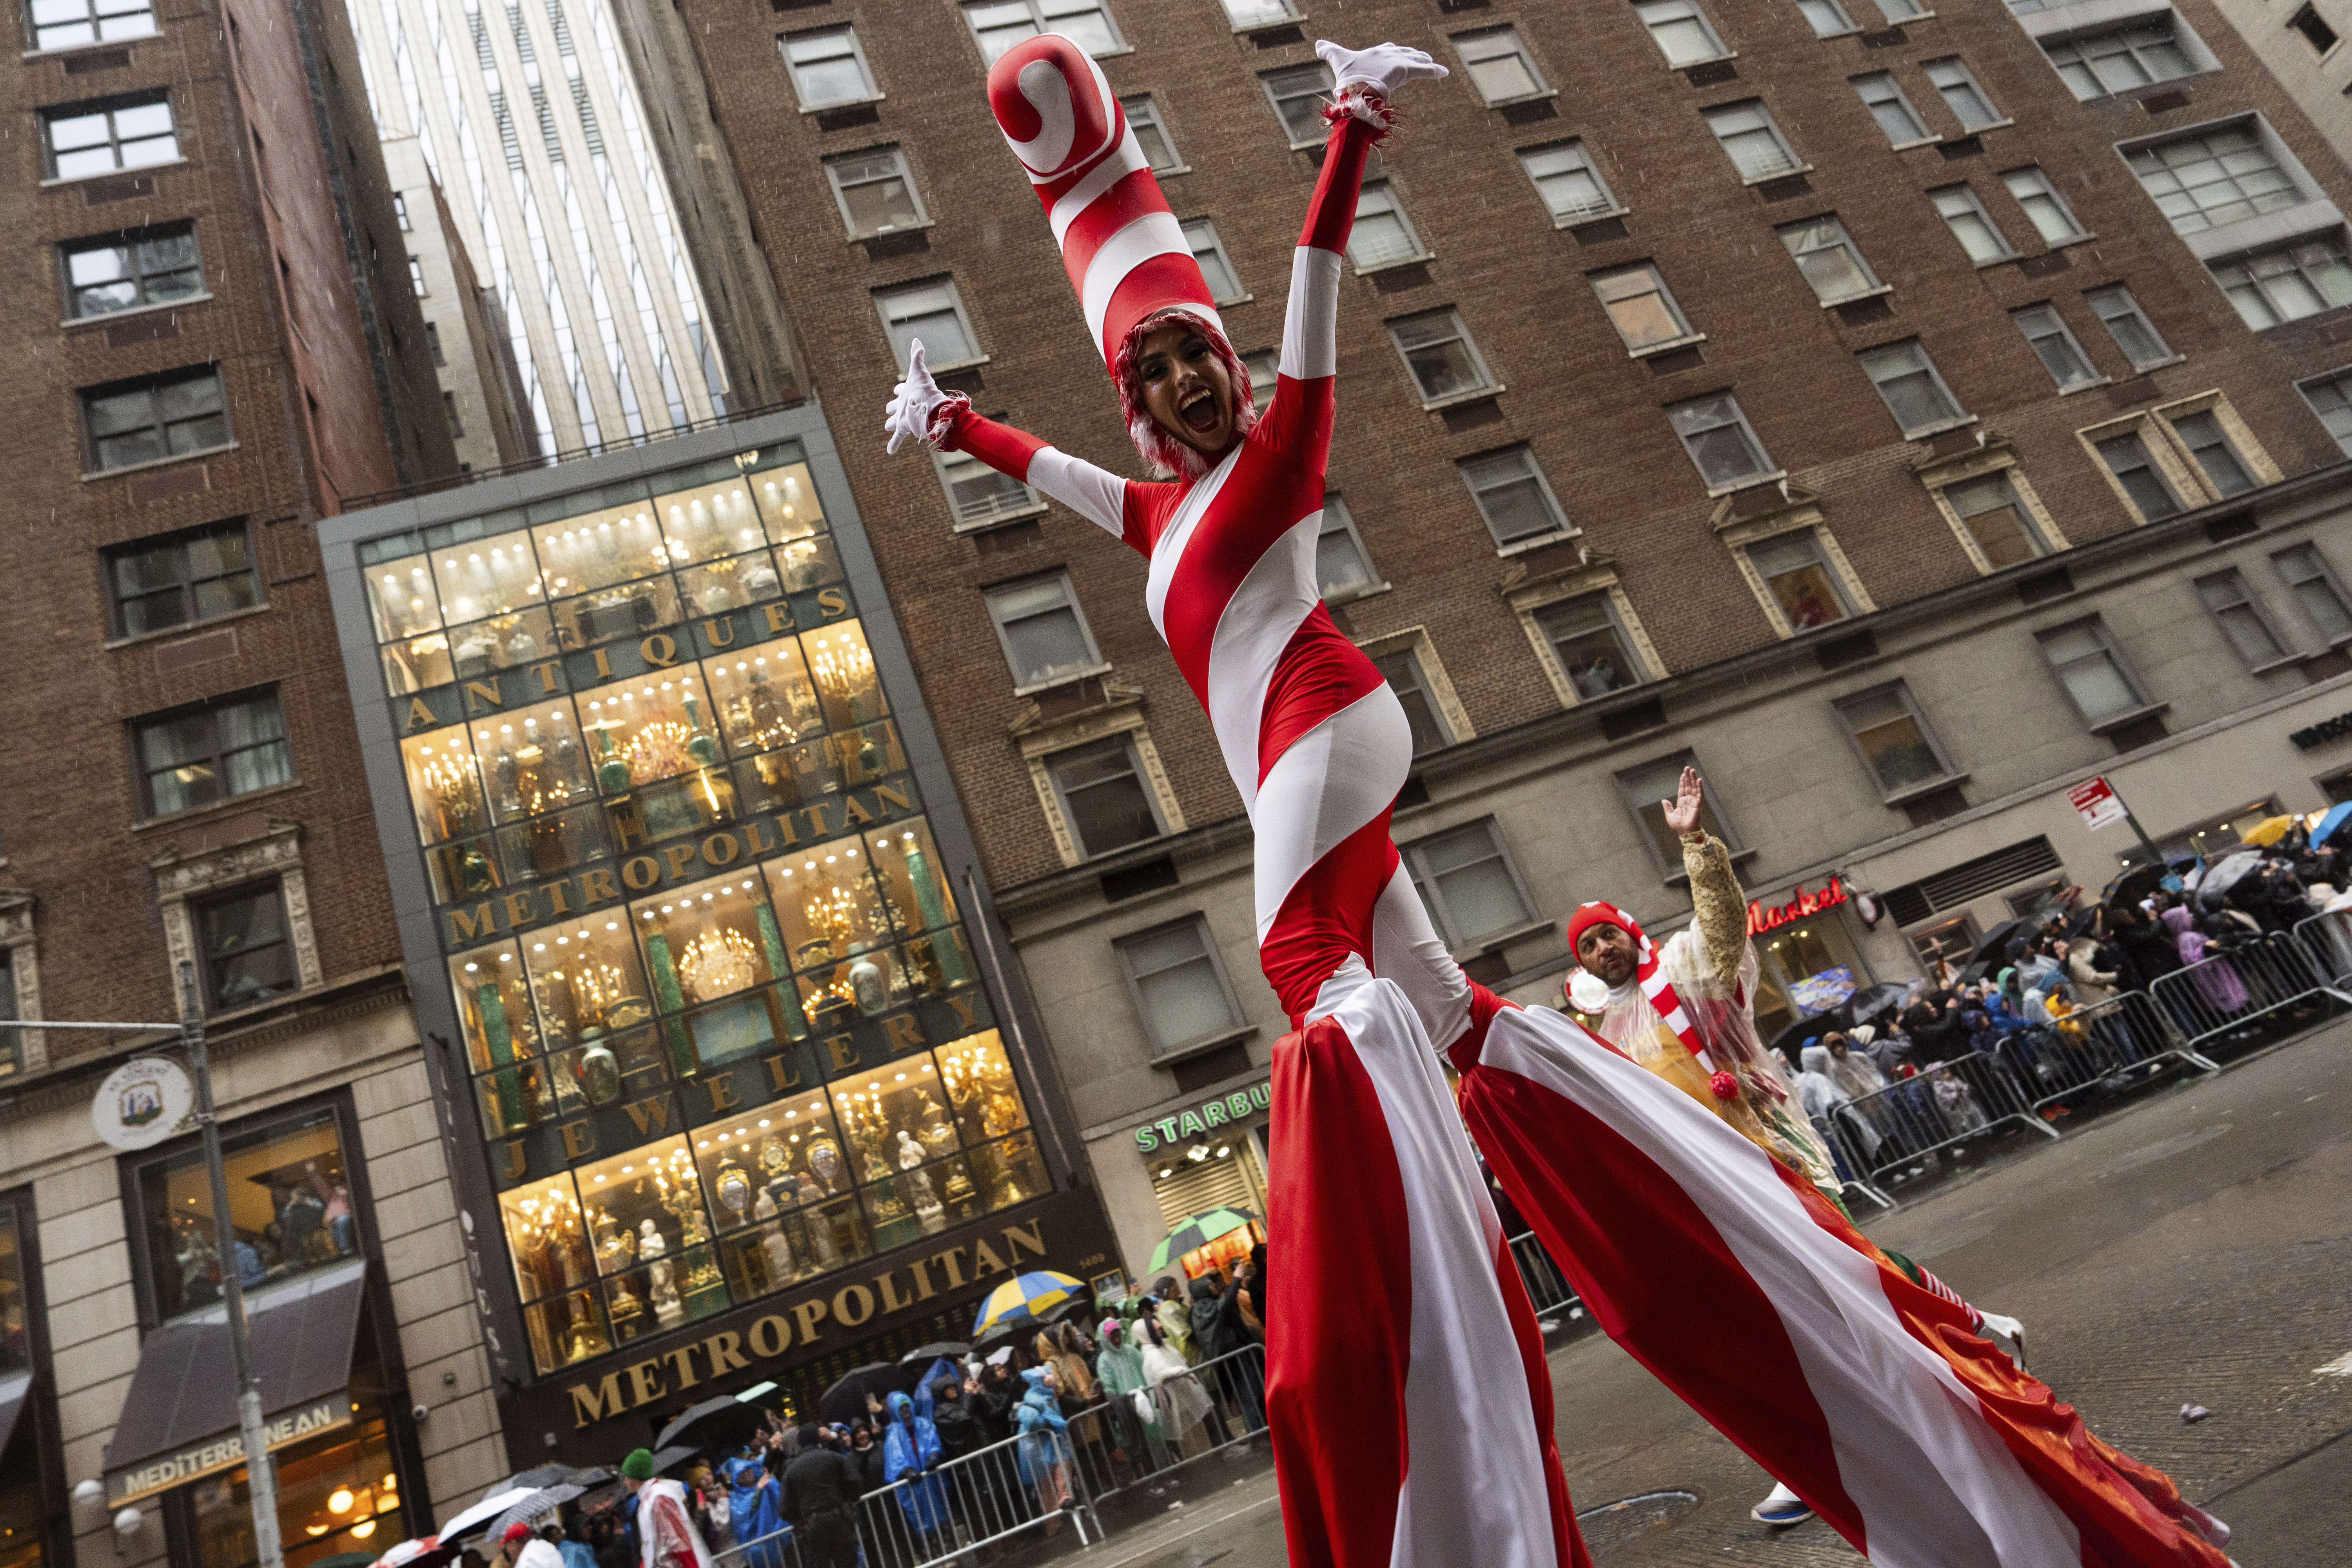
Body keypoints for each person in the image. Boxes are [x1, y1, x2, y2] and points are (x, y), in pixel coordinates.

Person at [898, 33, 2227, 1568]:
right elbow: (1047, 468)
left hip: (1335, 733)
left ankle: (1394, 1370)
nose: (1188, 376)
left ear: (1232, 369)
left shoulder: (1274, 458)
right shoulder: (1151, 510)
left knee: (1300, 979)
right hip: (1312, 763)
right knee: (1445, 1015)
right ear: (1136, 396)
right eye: (1158, 367)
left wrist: (1347, 137)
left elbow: (1319, 294)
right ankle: (1662, 1237)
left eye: (1203, 354)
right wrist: (955, 428)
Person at [780, 1425, 863, 1568]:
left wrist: (800, 1521)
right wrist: (848, 1501)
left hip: (812, 1526)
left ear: (800, 1443)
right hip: (839, 1518)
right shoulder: (835, 1457)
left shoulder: (791, 1470)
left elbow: (784, 1509)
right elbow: (855, 1483)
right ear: (818, 1438)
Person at [619, 1448, 714, 1568]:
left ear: (634, 1479)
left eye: (626, 1477)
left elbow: (679, 1546)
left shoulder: (658, 1498)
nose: (625, 1482)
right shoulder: (651, 1497)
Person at [720, 1449, 783, 1568]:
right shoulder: (735, 1498)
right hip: (758, 1549)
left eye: (748, 1469)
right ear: (737, 1478)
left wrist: (766, 1485)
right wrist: (760, 1491)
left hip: (781, 1540)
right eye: (742, 1472)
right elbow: (747, 1514)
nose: (747, 1473)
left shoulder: (766, 1482)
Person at [499, 1521, 564, 1568]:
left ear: (513, 1543)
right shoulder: (548, 1547)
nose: (508, 1551)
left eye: (507, 1546)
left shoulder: (526, 1562)